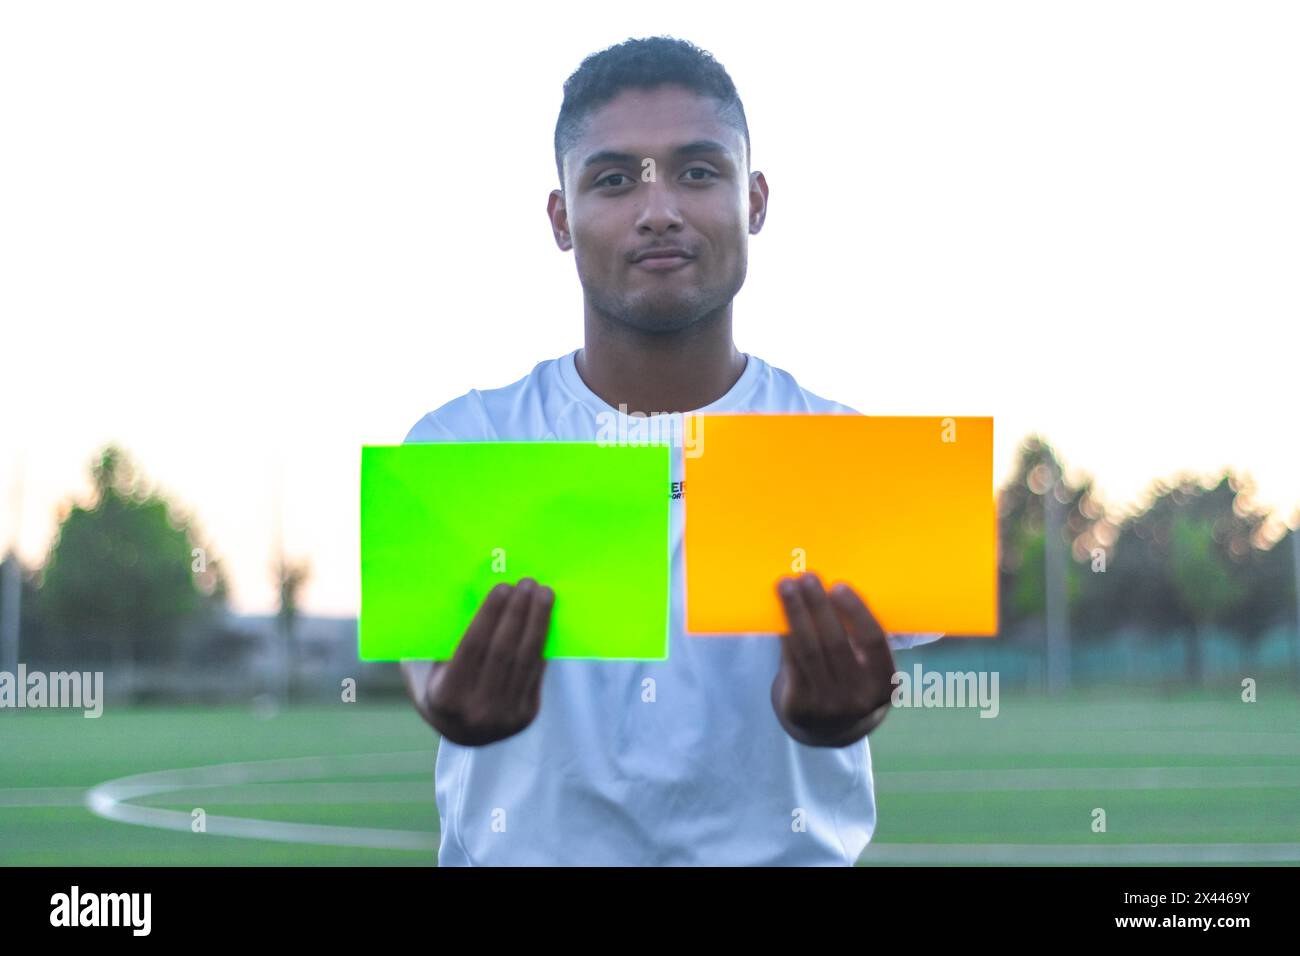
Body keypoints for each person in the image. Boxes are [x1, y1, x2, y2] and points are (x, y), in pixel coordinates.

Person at [400, 36, 941, 866]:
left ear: (755, 200)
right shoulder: (460, 444)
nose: (659, 211)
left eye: (697, 172)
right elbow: (431, 679)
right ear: (560, 218)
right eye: (615, 180)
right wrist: (451, 703)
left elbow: (870, 694)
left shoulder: (848, 456)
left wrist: (846, 713)